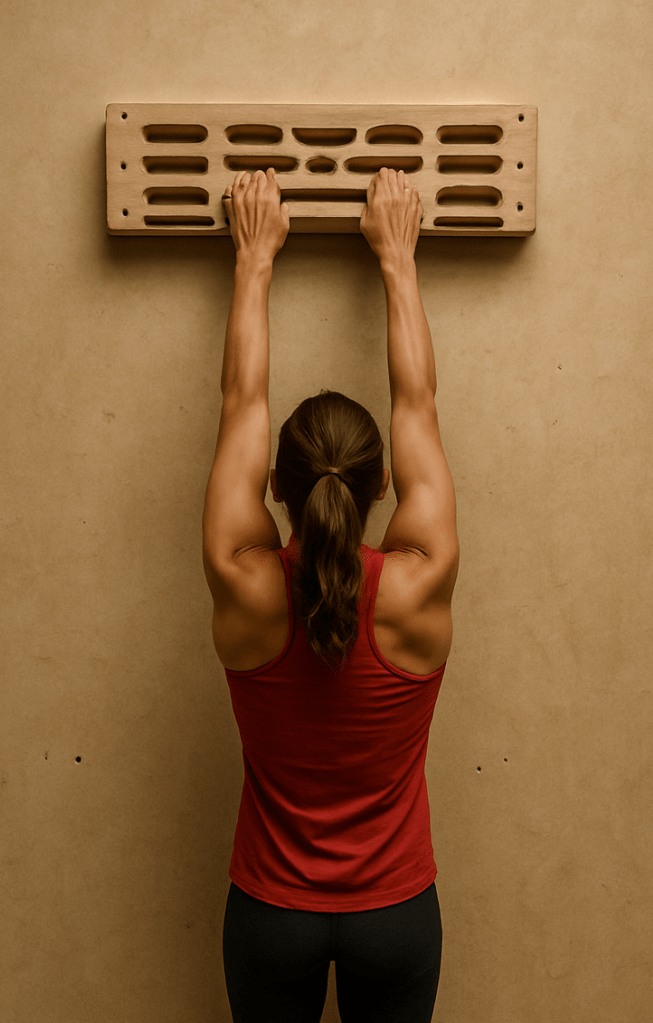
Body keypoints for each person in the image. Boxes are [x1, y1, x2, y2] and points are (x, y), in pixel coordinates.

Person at [202, 166, 459, 1023]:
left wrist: (254, 259)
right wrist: (397, 258)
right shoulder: (420, 582)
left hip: (271, 915)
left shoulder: (242, 580)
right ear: (383, 485)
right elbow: (418, 404)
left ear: (276, 485)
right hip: (395, 915)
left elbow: (240, 402)